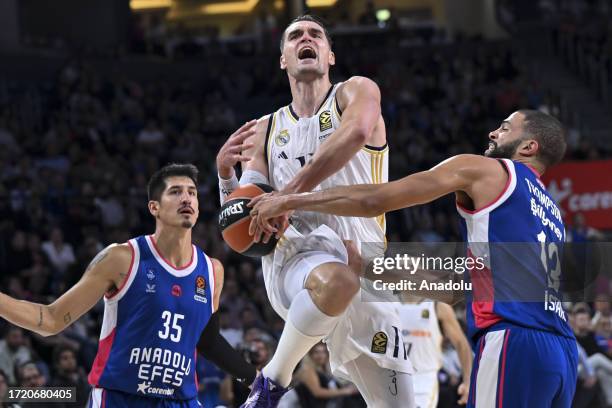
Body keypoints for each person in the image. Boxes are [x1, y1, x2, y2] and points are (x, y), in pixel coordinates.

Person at [250, 110, 580, 407]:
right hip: (562, 353)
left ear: (528, 147)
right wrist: (367, 266)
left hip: (515, 340)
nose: (494, 133)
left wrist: (287, 200)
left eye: (505, 128)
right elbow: (457, 290)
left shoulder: (488, 171)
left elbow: (376, 200)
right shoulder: (551, 212)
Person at [217, 14, 413, 407]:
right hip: (298, 261)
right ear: (283, 60)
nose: (306, 38)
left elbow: (355, 134)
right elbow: (245, 221)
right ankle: (273, 379)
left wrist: (287, 195)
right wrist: (225, 177)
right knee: (338, 280)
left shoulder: (356, 91)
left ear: (330, 55)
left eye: (316, 34)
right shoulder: (264, 129)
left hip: (368, 270)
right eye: (295, 36)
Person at [0, 163, 256, 407]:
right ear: (154, 207)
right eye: (175, 192)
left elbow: (208, 341)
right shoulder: (122, 258)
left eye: (192, 193)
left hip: (180, 401)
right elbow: (51, 319)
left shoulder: (212, 271)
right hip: (121, 398)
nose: (186, 199)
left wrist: (254, 378)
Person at [398, 301, 472, 407]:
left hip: (423, 381)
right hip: (391, 377)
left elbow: (461, 344)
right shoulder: (386, 302)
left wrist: (467, 381)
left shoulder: (438, 306)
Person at [294, 342, 360, 408]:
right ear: (311, 355)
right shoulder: (308, 370)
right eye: (317, 352)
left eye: (323, 352)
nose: (321, 355)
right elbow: (318, 392)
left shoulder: (324, 370)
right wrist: (345, 391)